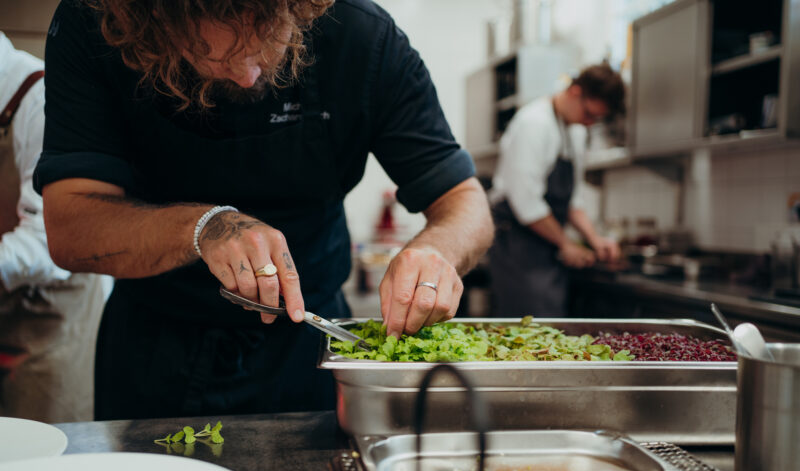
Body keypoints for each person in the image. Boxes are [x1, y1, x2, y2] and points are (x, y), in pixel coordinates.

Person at [35, 0, 493, 421]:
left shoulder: (362, 35)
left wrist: (437, 251)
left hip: (309, 346)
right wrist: (204, 227)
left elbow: (465, 202)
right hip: (154, 350)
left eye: (265, 44)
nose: (247, 76)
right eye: (211, 54)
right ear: (155, 23)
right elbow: (70, 226)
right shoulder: (96, 23)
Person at [0, 31, 112, 423]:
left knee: (45, 456)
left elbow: (53, 242)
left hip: (54, 318)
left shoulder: (40, 99)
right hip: (6, 310)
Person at [488, 63, 624, 318]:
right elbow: (526, 202)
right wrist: (566, 243)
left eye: (595, 120)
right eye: (588, 114)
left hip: (545, 244)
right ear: (575, 91)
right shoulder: (533, 123)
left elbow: (573, 199)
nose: (588, 123)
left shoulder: (575, 132)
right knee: (527, 326)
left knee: (549, 322)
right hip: (516, 243)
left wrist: (595, 240)